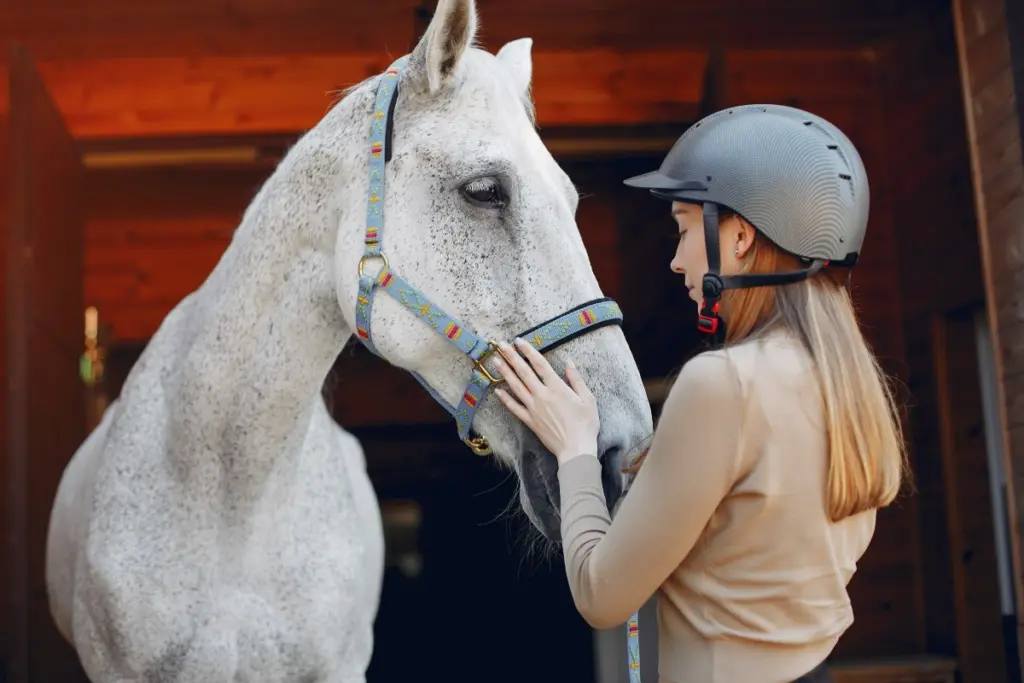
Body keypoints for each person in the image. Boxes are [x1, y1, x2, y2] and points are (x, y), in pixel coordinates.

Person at [489, 104, 909, 683]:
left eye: (686, 228)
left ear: (739, 237)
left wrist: (575, 449)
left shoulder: (723, 384)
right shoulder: (851, 384)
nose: (676, 258)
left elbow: (601, 594)